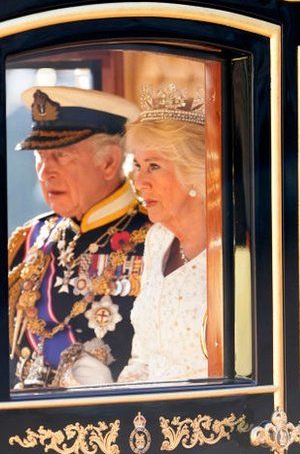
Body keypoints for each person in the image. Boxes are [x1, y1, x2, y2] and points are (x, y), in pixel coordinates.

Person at [8, 86, 151, 389]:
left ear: (110, 163)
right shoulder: (34, 236)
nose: (46, 172)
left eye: (61, 155)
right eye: (40, 156)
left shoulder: (154, 237)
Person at [118, 84, 209, 383]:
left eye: (154, 166)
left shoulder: (241, 251)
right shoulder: (157, 240)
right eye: (138, 165)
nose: (140, 181)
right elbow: (143, 358)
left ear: (194, 173)